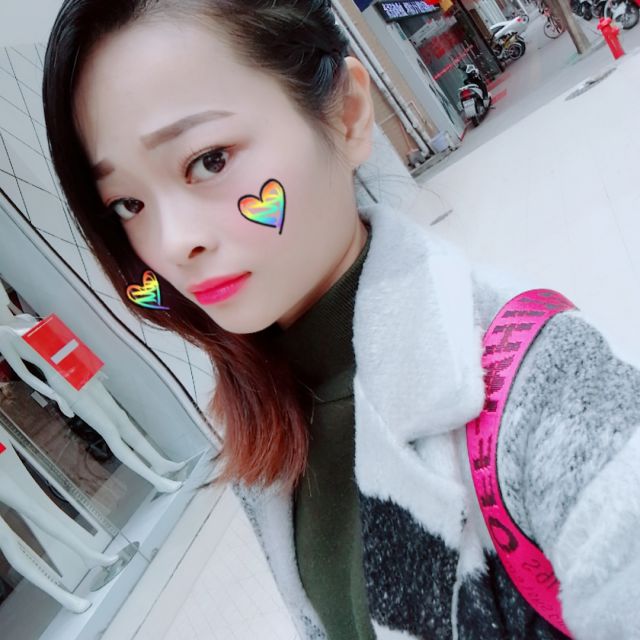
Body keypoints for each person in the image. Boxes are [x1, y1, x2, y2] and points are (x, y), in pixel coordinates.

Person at [42, 1, 640, 638]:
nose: (171, 243)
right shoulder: (262, 424)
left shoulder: (533, 384)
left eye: (209, 160)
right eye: (128, 203)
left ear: (349, 114)